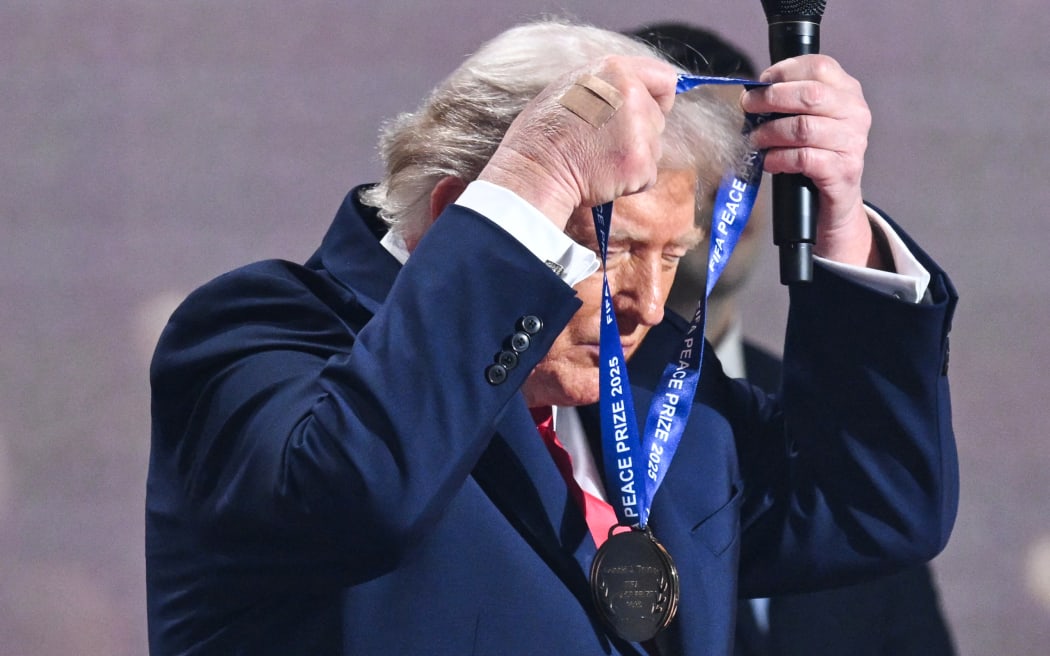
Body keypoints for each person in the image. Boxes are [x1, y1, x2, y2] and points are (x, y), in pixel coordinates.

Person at [146, 19, 959, 656]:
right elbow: (357, 494)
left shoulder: (652, 388)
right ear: (457, 216)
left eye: (671, 256)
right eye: (616, 250)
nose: (647, 301)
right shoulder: (263, 331)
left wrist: (843, 220)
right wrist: (536, 174)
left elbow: (870, 505)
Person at [625, 22, 957, 655]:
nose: (731, 187)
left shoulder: (840, 430)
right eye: (693, 154)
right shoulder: (553, 407)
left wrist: (845, 216)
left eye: (746, 154)